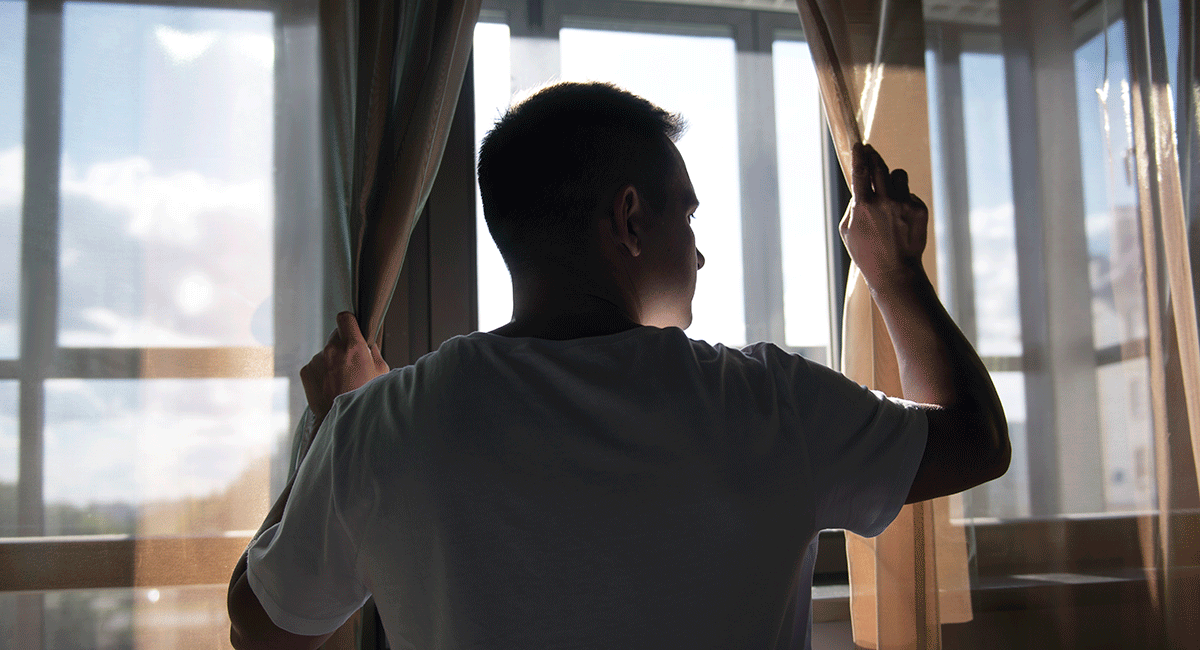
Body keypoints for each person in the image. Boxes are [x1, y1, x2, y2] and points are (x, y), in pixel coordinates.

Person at [227, 81, 1009, 650]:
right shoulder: (771, 405)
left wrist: (333, 422)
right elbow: (976, 438)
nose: (699, 251)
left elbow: (262, 624)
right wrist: (894, 273)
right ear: (630, 219)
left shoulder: (384, 423)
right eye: (689, 214)